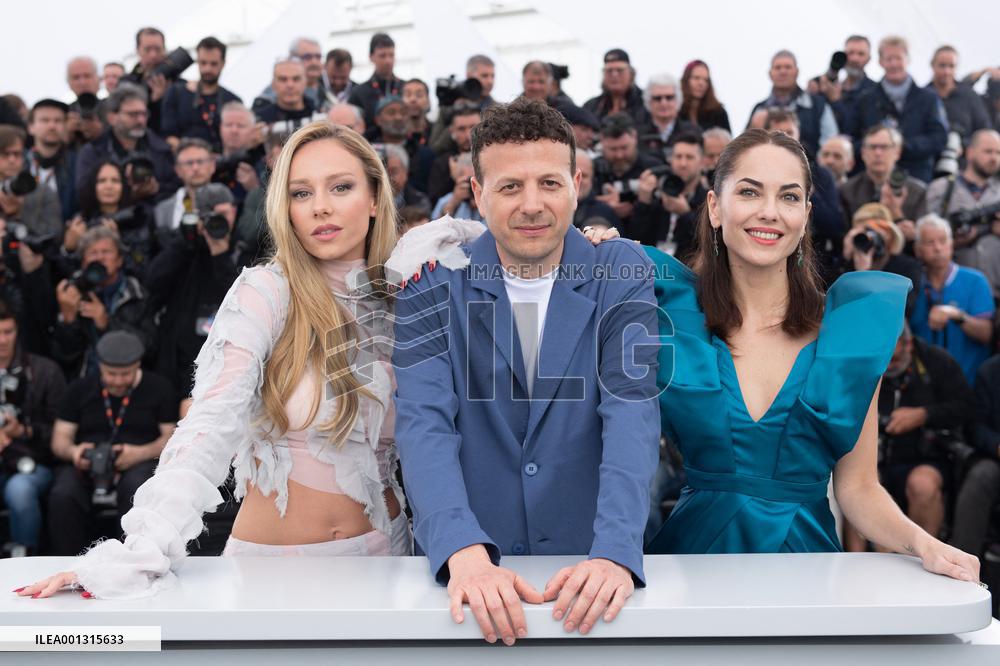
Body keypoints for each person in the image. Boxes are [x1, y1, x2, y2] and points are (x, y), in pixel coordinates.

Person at [21, 121, 411, 600]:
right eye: (301, 193)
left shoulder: (406, 297)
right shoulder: (266, 292)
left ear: (374, 198)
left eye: (341, 187)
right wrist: (141, 551)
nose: (321, 207)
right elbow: (209, 423)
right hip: (273, 574)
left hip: (390, 561)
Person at [638, 129, 978, 585]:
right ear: (715, 207)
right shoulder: (670, 314)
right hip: (693, 567)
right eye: (749, 192)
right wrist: (592, 250)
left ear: (805, 216)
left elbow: (858, 489)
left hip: (806, 571)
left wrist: (925, 544)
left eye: (789, 196)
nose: (770, 211)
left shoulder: (847, 334)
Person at [388, 97, 660, 643]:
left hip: (591, 576)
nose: (532, 205)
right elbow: (423, 427)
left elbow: (631, 413)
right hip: (468, 580)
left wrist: (614, 551)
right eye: (510, 186)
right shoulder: (431, 285)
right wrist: (461, 548)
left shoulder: (622, 271)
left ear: (576, 184)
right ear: (478, 193)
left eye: (549, 183)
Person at [46, 331, 177, 556]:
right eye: (111, 374)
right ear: (100, 365)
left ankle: (133, 557)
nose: (117, 381)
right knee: (63, 494)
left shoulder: (159, 388)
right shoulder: (79, 389)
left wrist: (139, 453)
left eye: (125, 374)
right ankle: (67, 560)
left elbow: (171, 438)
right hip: (88, 462)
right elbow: (60, 439)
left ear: (138, 364)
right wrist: (74, 452)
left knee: (137, 488)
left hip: (139, 461)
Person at [874, 324, 974, 543]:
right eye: (883, 360)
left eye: (893, 359)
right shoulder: (865, 363)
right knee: (858, 486)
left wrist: (924, 414)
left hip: (926, 456)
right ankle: (867, 557)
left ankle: (923, 553)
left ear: (908, 344)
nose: (888, 366)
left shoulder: (936, 361)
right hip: (876, 457)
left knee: (923, 485)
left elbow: (966, 407)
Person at [0, 300, 66, 557]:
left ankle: (24, 556)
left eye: (8, 332)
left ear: (17, 331)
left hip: (33, 462)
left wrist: (24, 431)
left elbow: (62, 430)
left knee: (20, 490)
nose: (2, 340)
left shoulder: (45, 371)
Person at [51, 225, 151, 378]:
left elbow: (149, 347)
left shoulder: (136, 293)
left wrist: (107, 323)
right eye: (93, 253)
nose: (100, 258)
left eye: (106, 252)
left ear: (119, 260)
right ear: (83, 263)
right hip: (85, 379)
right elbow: (64, 356)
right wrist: (68, 321)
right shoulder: (72, 292)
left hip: (126, 379)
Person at [846, 36, 948, 183]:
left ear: (908, 60)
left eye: (898, 58)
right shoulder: (865, 100)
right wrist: (876, 147)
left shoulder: (929, 99)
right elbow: (851, 139)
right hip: (872, 180)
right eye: (889, 59)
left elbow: (939, 137)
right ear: (881, 62)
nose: (894, 64)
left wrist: (903, 146)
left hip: (916, 177)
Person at [909, 214, 995, 384]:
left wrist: (957, 316)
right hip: (924, 386)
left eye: (943, 240)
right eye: (930, 242)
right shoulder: (913, 284)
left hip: (969, 383)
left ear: (952, 244)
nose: (938, 248)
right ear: (917, 249)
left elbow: (987, 334)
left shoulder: (975, 281)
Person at [74, 84, 178, 206]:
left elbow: (177, 185)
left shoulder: (161, 149)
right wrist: (125, 193)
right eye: (133, 114)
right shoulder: (92, 152)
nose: (140, 120)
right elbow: (83, 194)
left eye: (144, 114)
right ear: (112, 118)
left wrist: (156, 188)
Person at [925, 129, 1000, 299]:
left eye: (998, 153)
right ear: (970, 152)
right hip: (948, 288)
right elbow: (924, 237)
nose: (994, 158)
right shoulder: (941, 188)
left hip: (995, 289)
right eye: (988, 151)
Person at [840, 125, 928, 245]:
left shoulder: (917, 191)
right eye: (872, 147)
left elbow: (923, 242)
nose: (878, 153)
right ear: (863, 153)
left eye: (884, 147)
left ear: (897, 152)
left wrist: (897, 214)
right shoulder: (847, 190)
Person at [950, 355, 1000, 558]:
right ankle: (963, 560)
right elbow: (975, 426)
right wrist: (997, 446)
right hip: (995, 457)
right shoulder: (990, 371)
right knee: (981, 477)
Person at [748, 50, 839, 158]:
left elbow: (830, 143)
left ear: (796, 72)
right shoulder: (759, 109)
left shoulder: (818, 106)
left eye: (788, 67)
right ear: (770, 73)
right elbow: (748, 144)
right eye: (778, 67)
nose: (783, 72)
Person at [160, 37, 242, 153]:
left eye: (213, 64)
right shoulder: (176, 93)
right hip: (185, 160)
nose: (207, 69)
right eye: (203, 63)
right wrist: (194, 156)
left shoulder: (233, 101)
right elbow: (169, 136)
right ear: (197, 61)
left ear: (223, 63)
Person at [842, 203, 922, 313]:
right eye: (862, 234)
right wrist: (845, 258)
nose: (868, 238)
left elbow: (904, 307)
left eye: (872, 232)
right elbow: (837, 301)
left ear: (889, 233)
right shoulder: (849, 265)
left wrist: (864, 275)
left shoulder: (907, 266)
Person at [0, 125, 62, 238]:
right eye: (5, 154)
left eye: (17, 154)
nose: (12, 160)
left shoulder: (43, 192)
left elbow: (55, 237)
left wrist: (20, 212)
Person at [928, 46, 992, 146]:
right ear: (932, 65)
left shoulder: (969, 96)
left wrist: (964, 145)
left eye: (951, 66)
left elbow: (984, 130)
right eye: (942, 65)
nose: (946, 72)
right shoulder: (922, 96)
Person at [26, 99, 77, 221]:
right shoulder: (16, 162)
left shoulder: (78, 164)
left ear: (66, 126)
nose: (52, 126)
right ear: (31, 127)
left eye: (58, 121)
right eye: (45, 120)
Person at [636, 74, 700, 160]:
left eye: (669, 97)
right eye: (657, 98)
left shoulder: (693, 132)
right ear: (649, 101)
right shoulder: (637, 134)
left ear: (678, 100)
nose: (663, 103)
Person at [348, 33, 404, 131]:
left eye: (391, 55)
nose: (388, 61)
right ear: (371, 57)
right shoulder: (359, 93)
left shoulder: (405, 88)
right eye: (382, 56)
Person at [583, 48, 648, 125]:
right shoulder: (592, 106)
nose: (614, 75)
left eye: (620, 70)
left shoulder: (647, 102)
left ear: (631, 74)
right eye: (609, 71)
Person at [679, 60, 731, 132]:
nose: (701, 83)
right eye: (696, 78)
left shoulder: (718, 113)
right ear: (686, 80)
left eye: (705, 80)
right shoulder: (675, 110)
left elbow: (728, 138)